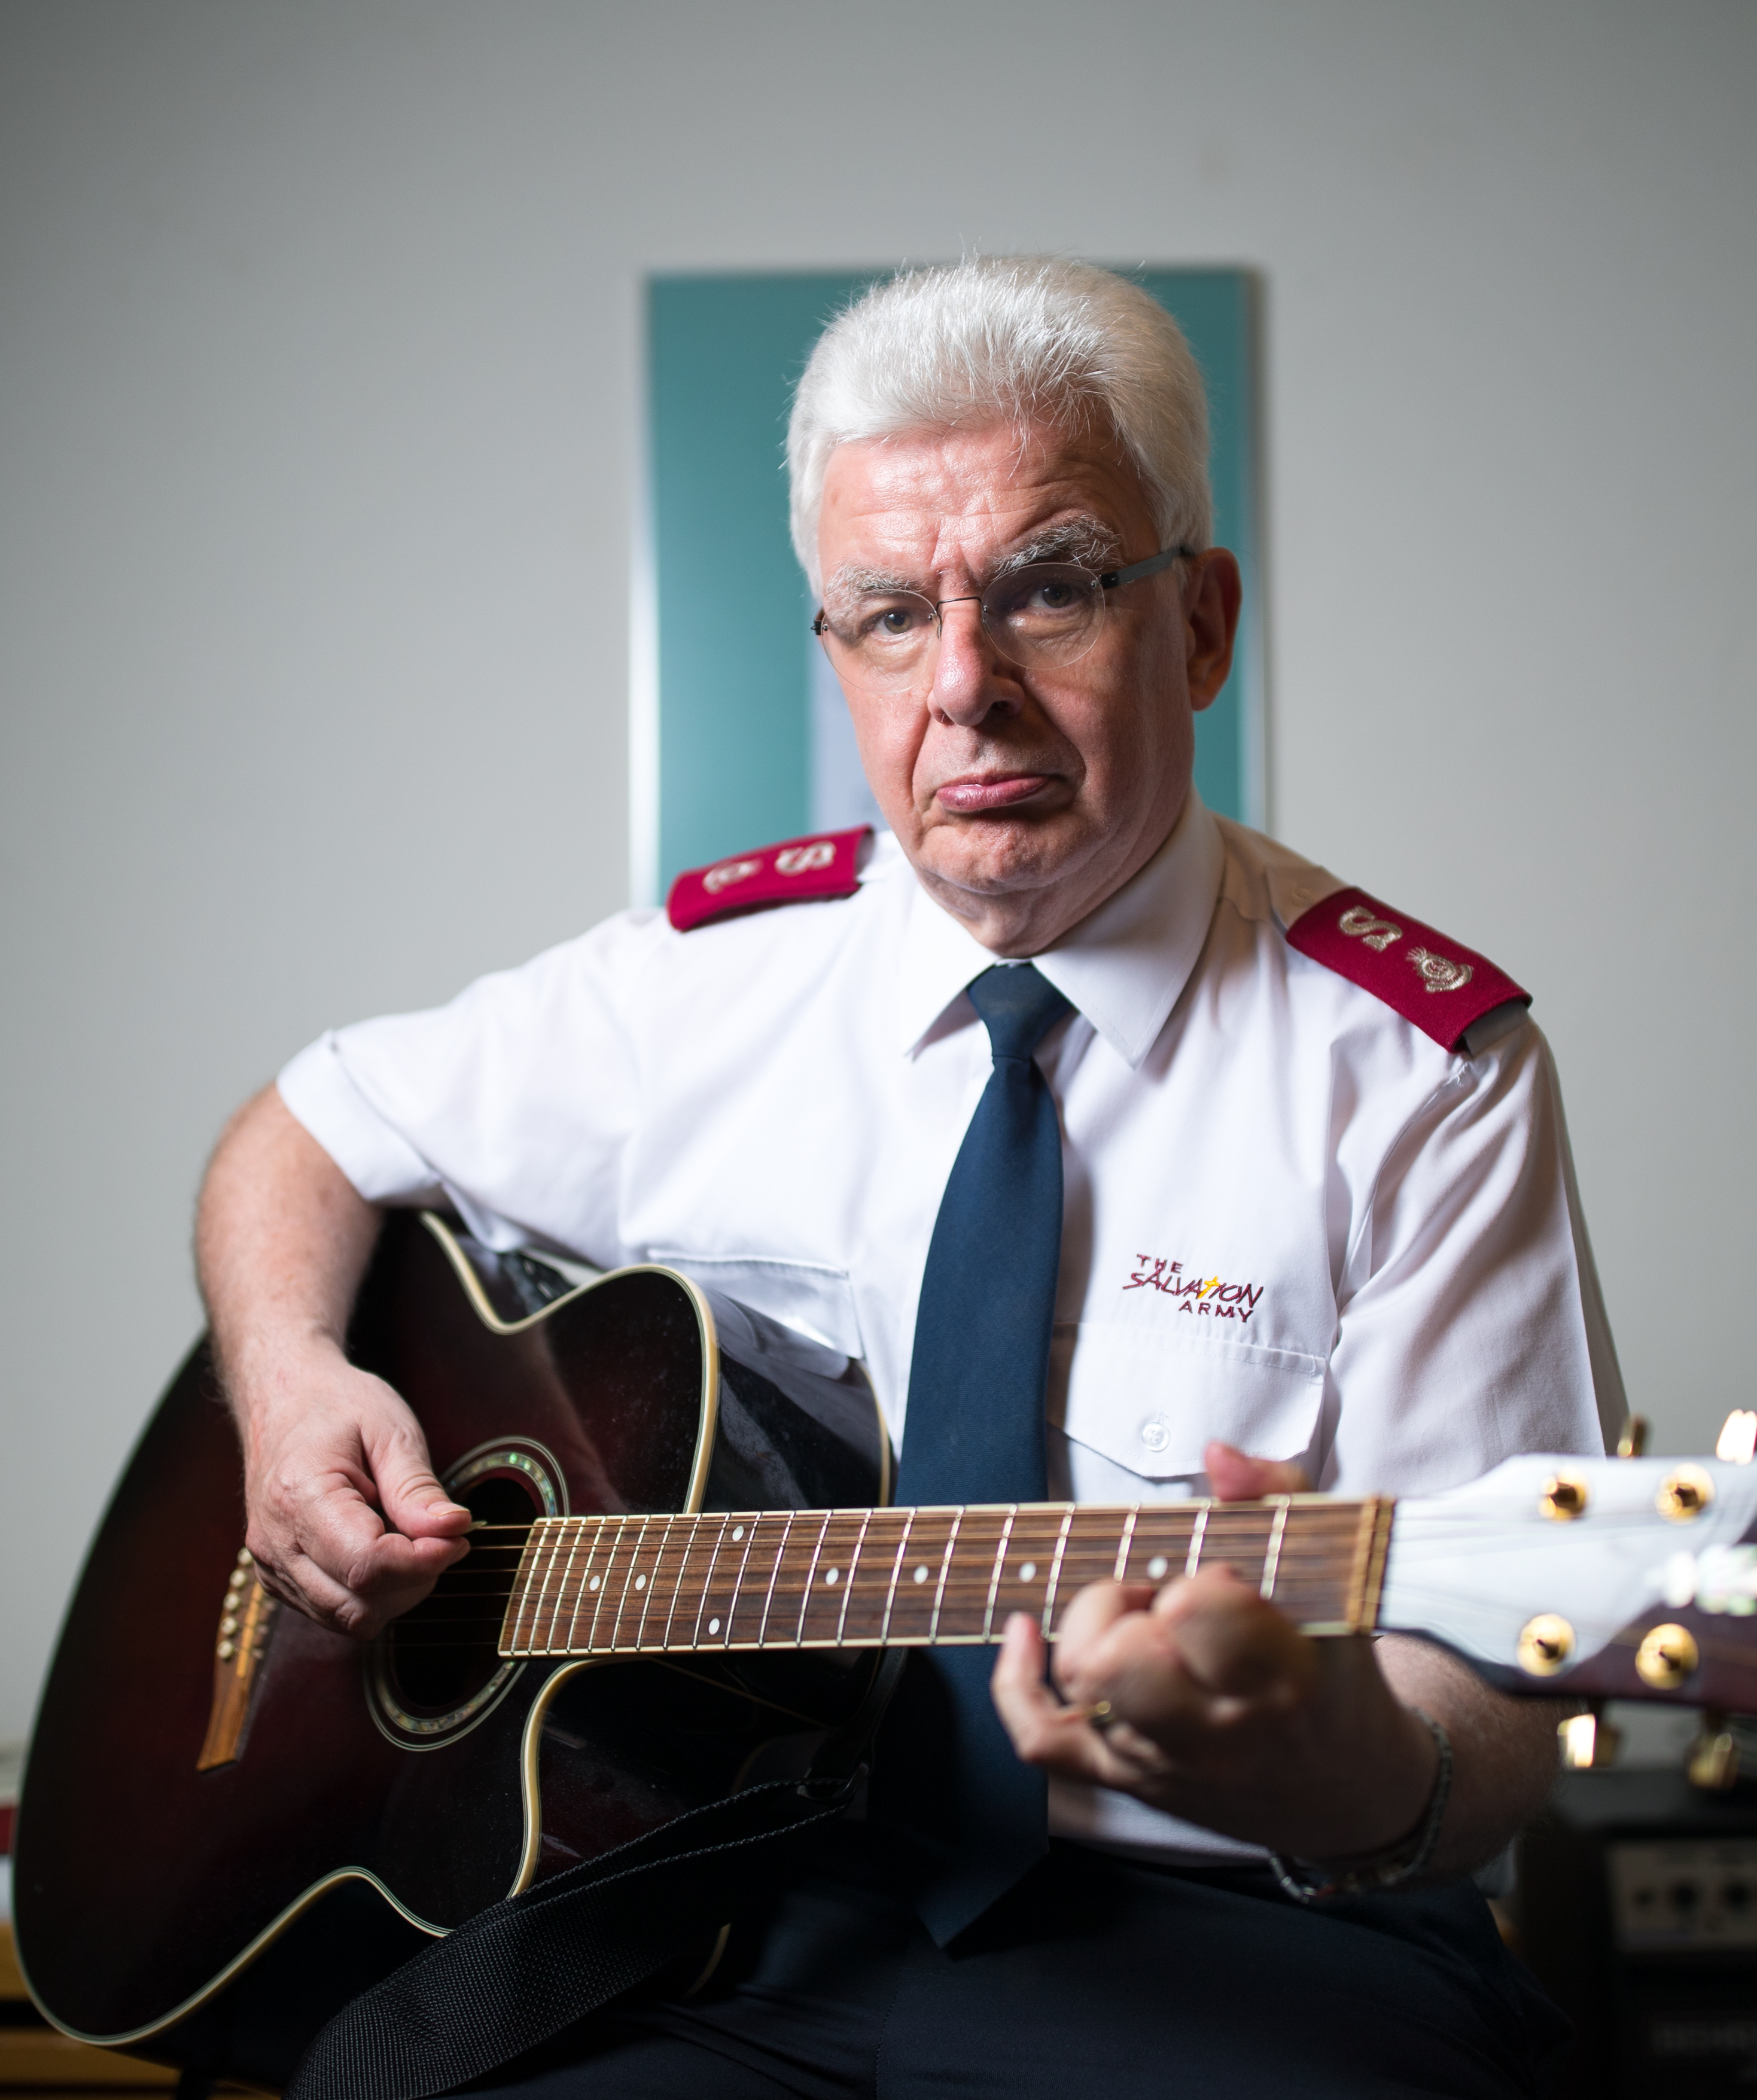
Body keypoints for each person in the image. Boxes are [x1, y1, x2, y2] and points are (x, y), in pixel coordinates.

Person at [194, 257, 1627, 2097]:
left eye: (1046, 590)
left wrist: (1319, 1766)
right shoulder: (700, 983)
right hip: (726, 1892)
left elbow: (1491, 1707)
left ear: (1197, 626)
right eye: (888, 614)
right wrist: (291, 1384)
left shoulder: (1425, 1078)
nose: (965, 688)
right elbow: (300, 1133)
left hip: (1257, 1930)